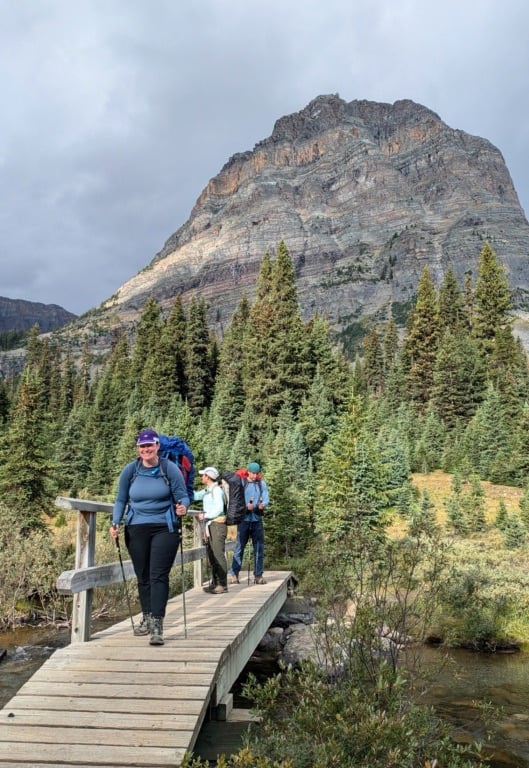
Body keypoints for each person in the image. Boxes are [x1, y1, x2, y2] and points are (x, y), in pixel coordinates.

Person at [109, 429, 189, 646]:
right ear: (138, 449)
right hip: (136, 527)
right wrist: (115, 521)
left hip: (165, 526)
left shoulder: (168, 468)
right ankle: (146, 615)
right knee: (142, 574)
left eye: (149, 445)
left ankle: (157, 624)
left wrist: (183, 507)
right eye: (142, 446)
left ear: (157, 446)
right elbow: (121, 499)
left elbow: (182, 495)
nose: (146, 449)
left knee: (158, 575)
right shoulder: (131, 470)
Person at [228, 461, 269, 585]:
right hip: (243, 519)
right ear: (248, 472)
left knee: (259, 548)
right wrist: (246, 506)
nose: (255, 476)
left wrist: (262, 505)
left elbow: (266, 499)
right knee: (239, 547)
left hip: (257, 519)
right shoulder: (242, 483)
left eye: (257, 473)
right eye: (253, 473)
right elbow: (236, 499)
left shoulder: (262, 484)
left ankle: (258, 575)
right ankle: (234, 574)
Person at [193, 466, 228, 594]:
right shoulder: (208, 490)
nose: (201, 477)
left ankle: (223, 585)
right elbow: (196, 496)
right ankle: (215, 583)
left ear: (208, 477)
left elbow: (219, 509)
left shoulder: (217, 490)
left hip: (217, 525)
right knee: (212, 555)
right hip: (211, 525)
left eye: (203, 475)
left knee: (218, 554)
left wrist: (205, 516)